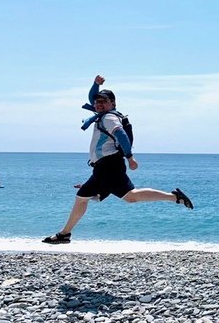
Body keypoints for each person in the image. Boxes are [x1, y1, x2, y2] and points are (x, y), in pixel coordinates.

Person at [43, 75, 194, 245]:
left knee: (82, 197)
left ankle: (65, 234)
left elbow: (120, 134)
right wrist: (95, 84)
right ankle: (174, 197)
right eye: (97, 102)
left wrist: (130, 157)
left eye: (103, 102)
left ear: (112, 104)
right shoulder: (102, 115)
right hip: (106, 167)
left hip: (108, 166)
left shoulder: (109, 118)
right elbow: (92, 96)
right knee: (131, 197)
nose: (99, 104)